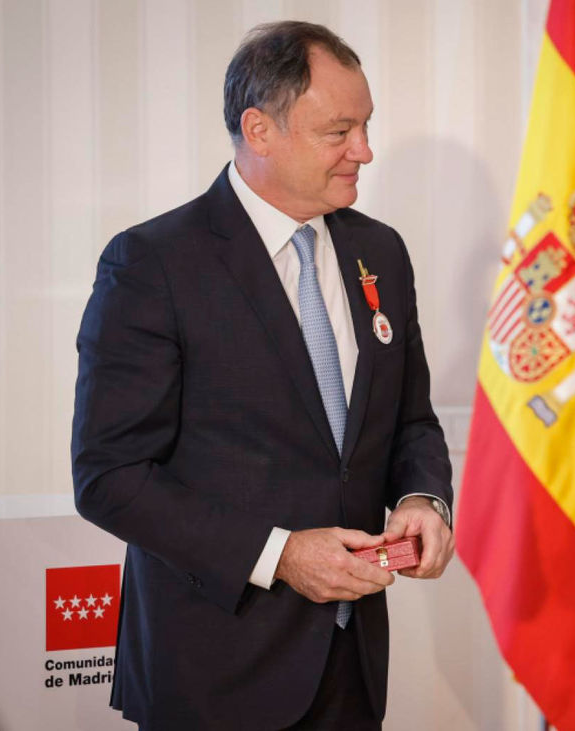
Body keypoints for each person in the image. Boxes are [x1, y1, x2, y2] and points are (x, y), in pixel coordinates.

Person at [71, 21, 454, 730]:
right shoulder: (154, 264)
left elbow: (411, 420)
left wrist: (424, 497)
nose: (364, 151)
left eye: (366, 125)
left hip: (354, 669)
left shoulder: (382, 253)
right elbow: (109, 477)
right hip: (216, 671)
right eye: (339, 131)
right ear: (259, 130)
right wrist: (278, 555)